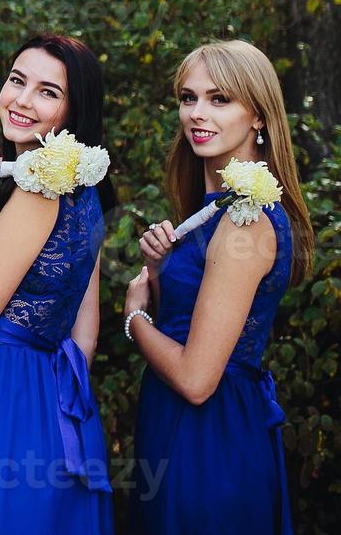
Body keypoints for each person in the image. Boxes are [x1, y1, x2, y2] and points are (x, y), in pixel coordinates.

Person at [128, 40, 312, 534]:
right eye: (188, 98)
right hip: (178, 430)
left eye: (220, 99)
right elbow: (196, 324)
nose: (197, 113)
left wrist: (134, 317)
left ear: (258, 116)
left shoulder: (246, 219)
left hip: (209, 440)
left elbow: (195, 378)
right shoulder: (218, 207)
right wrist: (160, 274)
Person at [0, 33, 115, 533]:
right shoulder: (85, 187)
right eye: (17, 81)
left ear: (73, 111)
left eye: (47, 91)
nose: (22, 100)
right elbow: (85, 337)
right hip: (53, 397)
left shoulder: (39, 193)